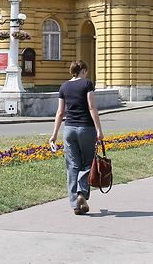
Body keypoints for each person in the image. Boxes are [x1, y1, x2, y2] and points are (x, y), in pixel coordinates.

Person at [49, 59, 103, 215]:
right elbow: (92, 107)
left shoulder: (64, 87)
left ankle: (75, 204)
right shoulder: (87, 84)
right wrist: (99, 129)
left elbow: (60, 112)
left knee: (72, 165)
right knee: (87, 163)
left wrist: (54, 135)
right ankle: (81, 193)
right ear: (84, 71)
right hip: (86, 128)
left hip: (69, 129)